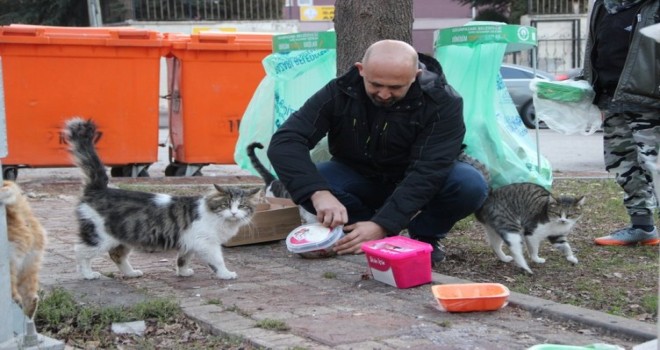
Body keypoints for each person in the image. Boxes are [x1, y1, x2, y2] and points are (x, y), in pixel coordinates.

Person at [267, 39, 488, 265]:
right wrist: (317, 193)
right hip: (359, 176)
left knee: (469, 184)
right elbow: (286, 141)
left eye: (395, 88)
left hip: (415, 180)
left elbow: (428, 170)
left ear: (416, 75)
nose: (383, 94)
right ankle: (363, 229)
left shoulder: (443, 102)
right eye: (375, 85)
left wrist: (384, 224)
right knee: (311, 180)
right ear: (361, 70)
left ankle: (424, 235)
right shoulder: (340, 92)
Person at [582, 0, 660, 245]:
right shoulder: (603, 5)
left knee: (655, 165)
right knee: (622, 162)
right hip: (612, 96)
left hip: (650, 99)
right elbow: (596, 47)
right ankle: (642, 227)